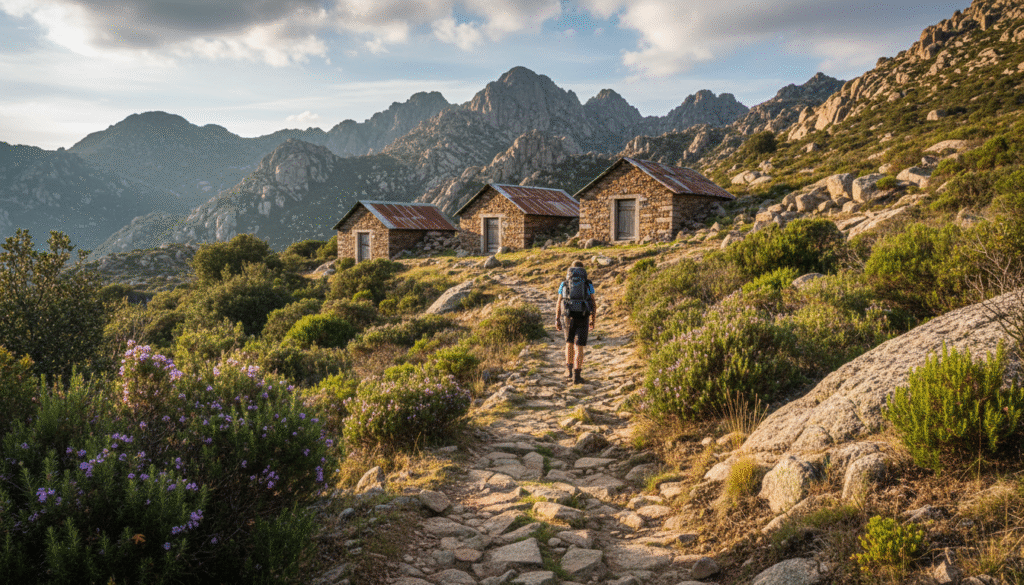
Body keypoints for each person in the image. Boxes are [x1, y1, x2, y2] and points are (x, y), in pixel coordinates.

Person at [555, 260, 596, 384]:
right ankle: (577, 376)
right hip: (583, 315)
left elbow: (559, 302)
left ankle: (569, 371)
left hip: (568, 316)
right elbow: (593, 302)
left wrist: (557, 319)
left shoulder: (564, 283)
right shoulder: (588, 284)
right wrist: (593, 319)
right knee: (579, 347)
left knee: (569, 343)